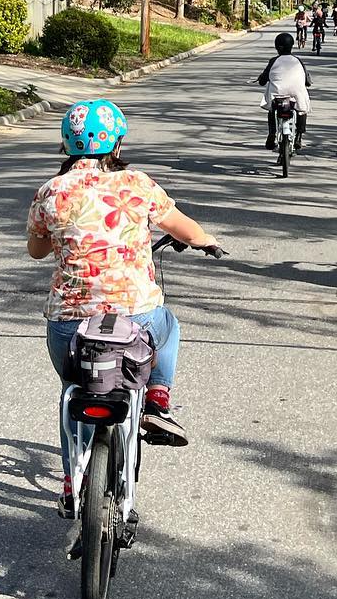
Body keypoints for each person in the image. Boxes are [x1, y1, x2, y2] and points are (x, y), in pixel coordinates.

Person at [27, 98, 221, 514]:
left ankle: (70, 482)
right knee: (168, 323)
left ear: (68, 146)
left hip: (69, 324)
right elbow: (182, 228)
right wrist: (206, 241)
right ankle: (157, 399)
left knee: (74, 387)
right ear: (116, 144)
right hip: (136, 319)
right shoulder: (137, 184)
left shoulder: (50, 192)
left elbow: (36, 251)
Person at [257, 29, 311, 151]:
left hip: (277, 95)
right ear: (291, 46)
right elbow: (307, 81)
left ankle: (271, 134)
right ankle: (299, 136)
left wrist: (261, 80)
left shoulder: (273, 61)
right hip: (295, 95)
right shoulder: (298, 61)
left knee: (272, 111)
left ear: (277, 47)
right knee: (302, 110)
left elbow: (263, 80)